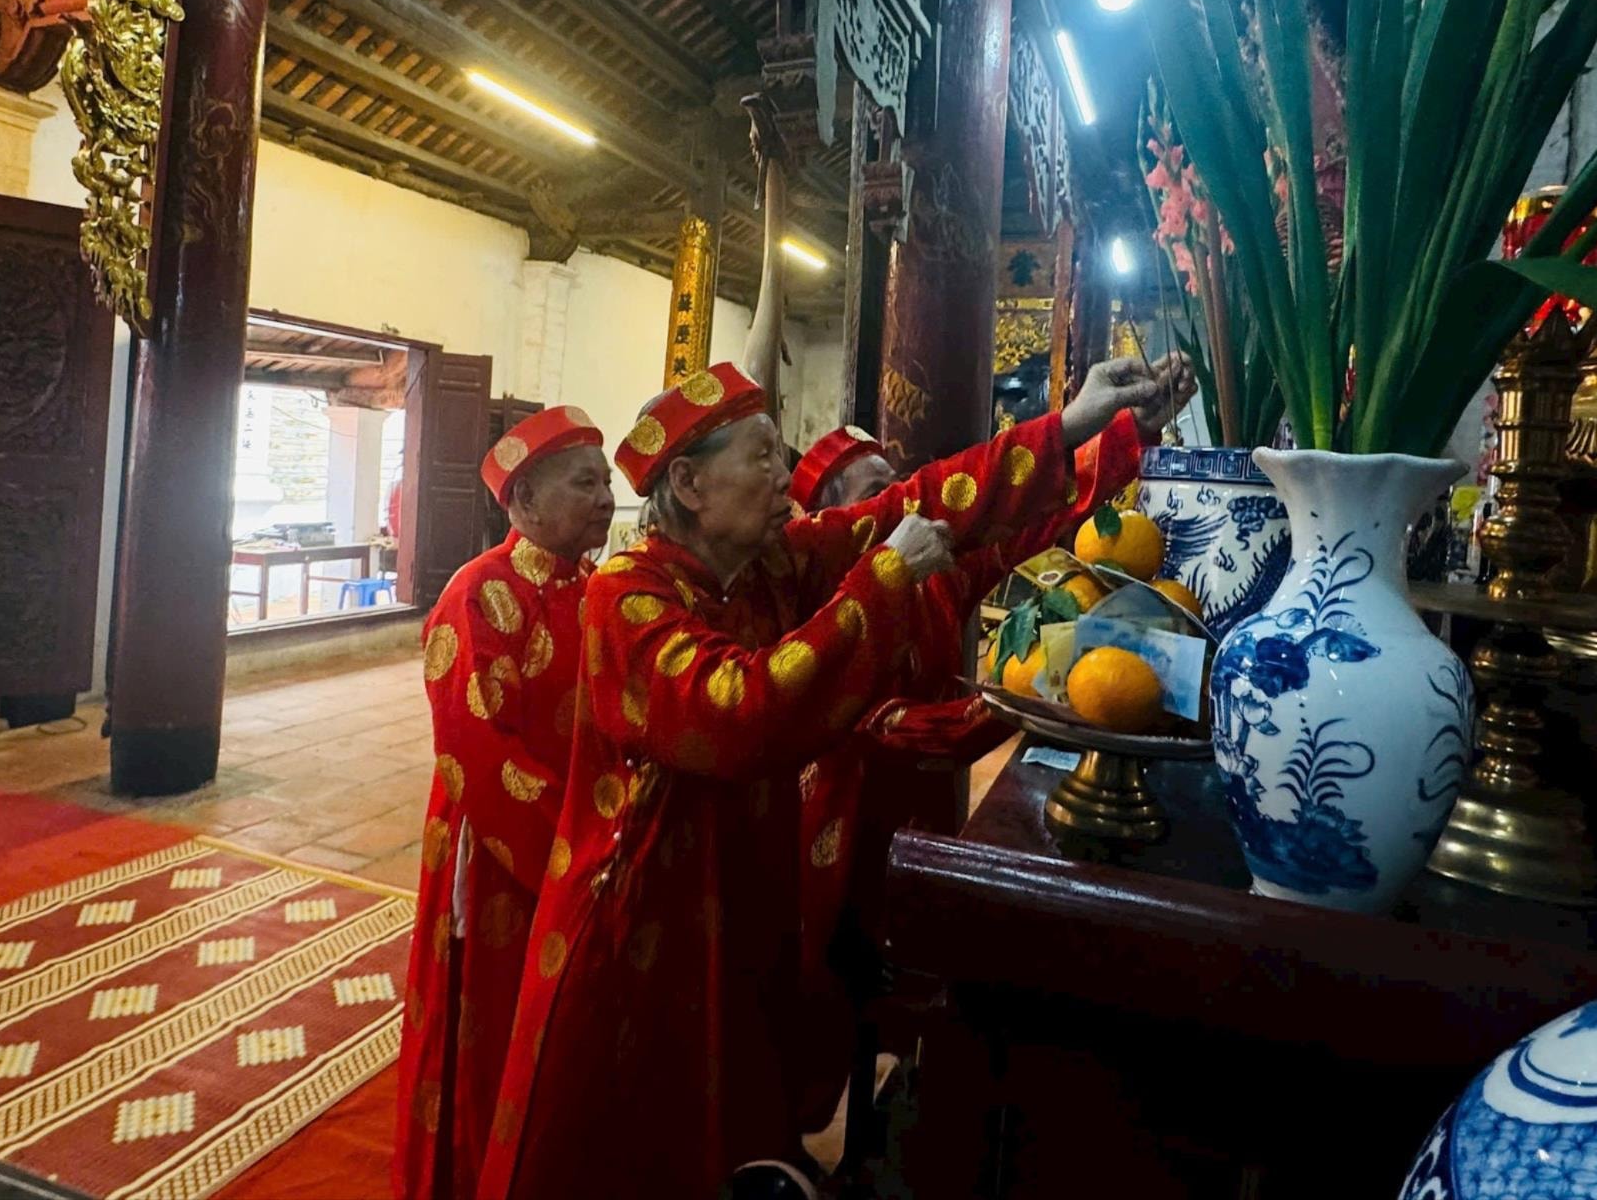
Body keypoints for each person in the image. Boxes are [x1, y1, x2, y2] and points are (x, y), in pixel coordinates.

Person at [475, 357, 1173, 1199]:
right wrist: (884, 581)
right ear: (689, 485)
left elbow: (912, 503)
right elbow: (740, 714)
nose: (783, 476)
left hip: (736, 897)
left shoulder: (768, 564)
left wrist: (1081, 427)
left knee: (738, 1112)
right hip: (643, 914)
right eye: (762, 457)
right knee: (637, 1140)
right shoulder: (627, 597)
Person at [785, 357, 1193, 1131]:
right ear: (836, 522)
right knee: (826, 987)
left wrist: (1127, 432)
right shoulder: (822, 592)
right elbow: (867, 725)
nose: (902, 507)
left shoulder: (937, 576)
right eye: (875, 495)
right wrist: (1010, 707)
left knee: (915, 975)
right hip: (842, 821)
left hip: (922, 810)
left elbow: (1033, 519)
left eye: (898, 486)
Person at [393, 406, 615, 1200]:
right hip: (504, 852)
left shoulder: (597, 589)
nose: (605, 499)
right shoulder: (478, 593)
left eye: (606, 482)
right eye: (584, 483)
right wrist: (578, 850)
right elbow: (477, 752)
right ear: (523, 500)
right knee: (491, 1017)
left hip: (585, 844)